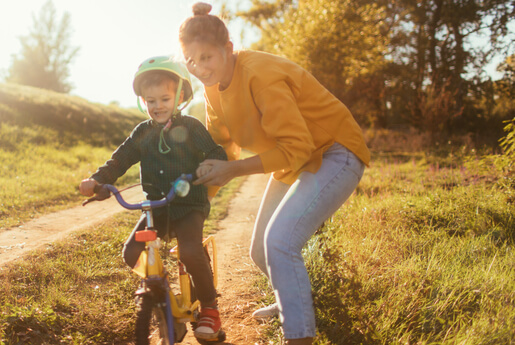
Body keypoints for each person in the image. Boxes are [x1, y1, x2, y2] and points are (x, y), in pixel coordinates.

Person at [178, 3, 371, 344]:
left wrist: (234, 170)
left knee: (280, 242)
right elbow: (220, 151)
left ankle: (298, 335)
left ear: (228, 49)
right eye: (191, 61)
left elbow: (296, 146)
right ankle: (292, 300)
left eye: (206, 58)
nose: (199, 68)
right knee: (259, 250)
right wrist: (196, 205)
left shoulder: (259, 76)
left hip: (334, 151)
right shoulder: (213, 87)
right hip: (298, 158)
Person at [78, 56, 228, 340]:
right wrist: (99, 180)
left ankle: (209, 307)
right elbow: (120, 160)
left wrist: (204, 168)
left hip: (188, 205)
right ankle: (162, 297)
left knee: (191, 250)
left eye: (164, 98)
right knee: (131, 252)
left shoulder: (192, 127)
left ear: (180, 96)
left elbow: (216, 153)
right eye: (151, 101)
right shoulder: (142, 133)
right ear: (143, 102)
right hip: (156, 208)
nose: (158, 106)